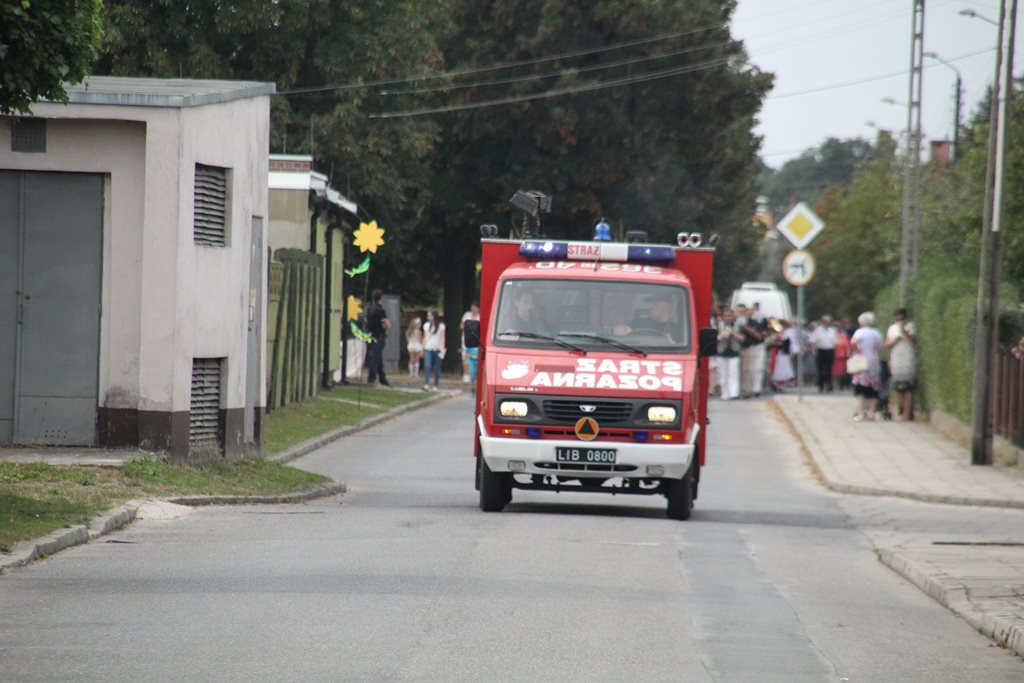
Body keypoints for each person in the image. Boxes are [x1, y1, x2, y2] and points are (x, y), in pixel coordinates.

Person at [850, 311, 883, 422]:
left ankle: (862, 412)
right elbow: (880, 348)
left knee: (861, 388)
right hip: (874, 361)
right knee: (873, 388)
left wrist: (857, 351)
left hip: (861, 361)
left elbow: (853, 342)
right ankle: (872, 413)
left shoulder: (860, 332)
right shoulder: (877, 333)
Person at [885, 308, 917, 421]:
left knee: (908, 387)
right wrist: (895, 340)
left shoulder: (911, 326)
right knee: (899, 387)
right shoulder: (892, 328)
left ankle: (907, 413)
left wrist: (905, 332)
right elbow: (887, 344)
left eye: (902, 317)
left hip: (908, 359)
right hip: (896, 359)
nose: (900, 320)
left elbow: (915, 341)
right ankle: (901, 409)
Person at [738, 304, 767, 398]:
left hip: (755, 346)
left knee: (756, 369)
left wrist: (746, 328)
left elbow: (759, 336)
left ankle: (756, 389)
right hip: (743, 348)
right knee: (745, 370)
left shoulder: (754, 322)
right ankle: (745, 389)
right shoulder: (736, 321)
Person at [364, 289, 391, 387]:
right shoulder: (380, 310)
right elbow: (387, 325)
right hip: (379, 336)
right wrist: (383, 326)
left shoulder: (369, 309)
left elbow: (366, 323)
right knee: (375, 358)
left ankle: (383, 379)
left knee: (377, 357)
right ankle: (371, 379)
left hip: (370, 335)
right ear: (381, 298)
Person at [716, 308, 743, 400]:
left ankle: (734, 393)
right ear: (723, 317)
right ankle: (725, 393)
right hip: (722, 353)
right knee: (723, 374)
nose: (728, 318)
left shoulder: (737, 326)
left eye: (729, 315)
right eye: (726, 316)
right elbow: (715, 339)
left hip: (733, 353)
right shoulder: (719, 325)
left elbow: (742, 338)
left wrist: (733, 333)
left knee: (733, 373)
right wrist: (722, 335)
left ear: (733, 316)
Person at [810, 314, 837, 392]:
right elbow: (813, 341)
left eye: (828, 321)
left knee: (829, 369)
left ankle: (829, 385)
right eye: (826, 321)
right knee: (820, 369)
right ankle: (820, 385)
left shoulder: (832, 330)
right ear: (822, 322)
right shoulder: (817, 330)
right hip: (821, 350)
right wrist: (813, 351)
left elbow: (835, 342)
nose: (827, 323)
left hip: (830, 351)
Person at [422, 310, 446, 391]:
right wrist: (423, 347)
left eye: (430, 315)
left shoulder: (441, 326)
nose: (428, 317)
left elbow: (442, 338)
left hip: (437, 349)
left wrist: (442, 348)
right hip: (428, 348)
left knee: (437, 368)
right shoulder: (426, 325)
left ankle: (436, 384)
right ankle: (426, 383)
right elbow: (425, 337)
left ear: (434, 316)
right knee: (427, 366)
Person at [460, 301, 480, 382]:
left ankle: (473, 375)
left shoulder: (480, 317)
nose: (473, 309)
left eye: (475, 307)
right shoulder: (467, 315)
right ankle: (466, 374)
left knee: (474, 357)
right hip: (466, 338)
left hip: (476, 339)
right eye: (472, 307)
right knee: (465, 356)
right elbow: (461, 325)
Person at [832, 322, 851, 389]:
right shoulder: (831, 335)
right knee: (833, 372)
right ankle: (833, 385)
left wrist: (848, 353)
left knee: (841, 372)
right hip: (833, 356)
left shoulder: (843, 335)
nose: (836, 328)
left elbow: (847, 345)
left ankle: (841, 385)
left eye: (837, 327)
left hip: (842, 357)